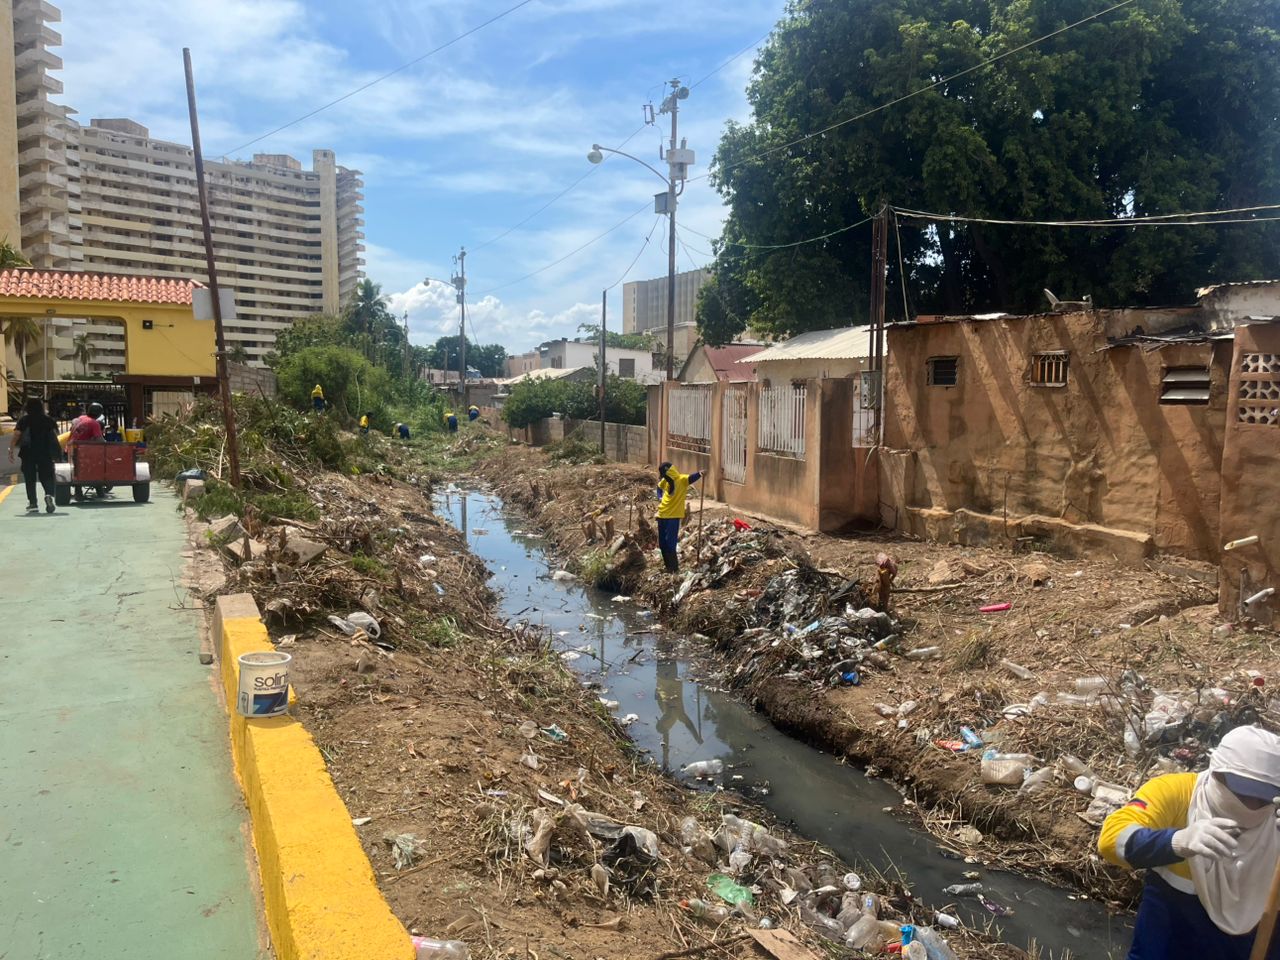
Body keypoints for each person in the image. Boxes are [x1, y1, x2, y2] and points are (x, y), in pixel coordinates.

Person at [1099, 725, 1280, 959]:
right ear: (1216, 772)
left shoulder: (1275, 819)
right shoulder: (1176, 793)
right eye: (1243, 793)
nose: (1251, 806)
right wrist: (1175, 841)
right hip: (1169, 942)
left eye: (1262, 798)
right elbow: (1112, 839)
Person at [9, 397, 59, 513]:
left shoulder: (24, 420)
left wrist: (11, 449)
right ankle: (48, 495)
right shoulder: (48, 420)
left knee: (29, 478)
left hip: (28, 452)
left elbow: (17, 434)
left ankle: (33, 503)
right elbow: (55, 435)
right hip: (45, 453)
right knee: (46, 476)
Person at [655, 461, 702, 573]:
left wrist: (700, 473)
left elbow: (691, 478)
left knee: (670, 543)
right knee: (662, 543)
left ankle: (674, 569)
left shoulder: (681, 480)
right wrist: (660, 497)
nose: (663, 477)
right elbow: (658, 487)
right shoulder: (665, 480)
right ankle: (667, 567)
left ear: (669, 472)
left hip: (673, 516)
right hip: (662, 514)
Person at [68, 402, 105, 501]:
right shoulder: (94, 423)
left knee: (77, 469)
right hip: (84, 451)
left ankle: (78, 492)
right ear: (99, 414)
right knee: (98, 465)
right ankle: (99, 490)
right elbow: (100, 440)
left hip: (72, 449)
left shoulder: (80, 418)